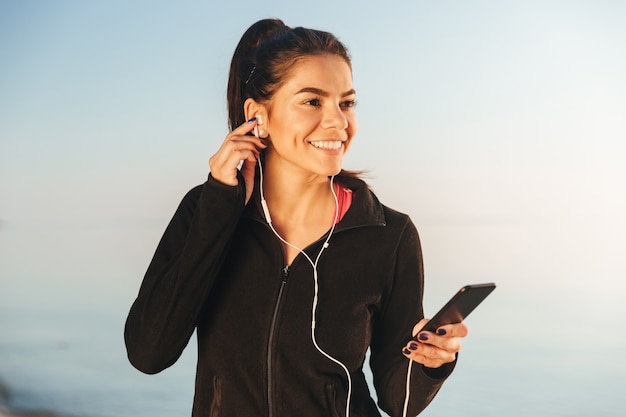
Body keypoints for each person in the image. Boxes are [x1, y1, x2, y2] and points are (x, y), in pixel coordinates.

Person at [124, 18, 468, 417]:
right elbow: (148, 353)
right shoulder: (205, 212)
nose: (338, 122)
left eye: (347, 102)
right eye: (312, 101)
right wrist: (219, 206)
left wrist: (433, 363)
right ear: (258, 115)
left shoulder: (389, 235)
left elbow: (398, 401)